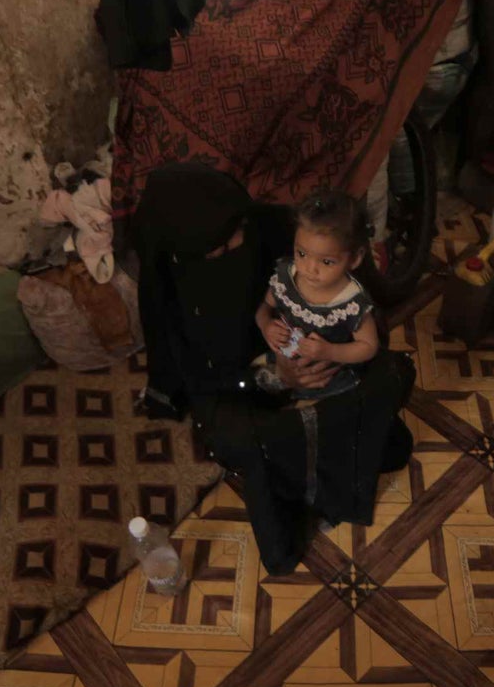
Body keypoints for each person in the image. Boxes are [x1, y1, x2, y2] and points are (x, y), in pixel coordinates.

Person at [131, 164, 414, 574]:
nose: (239, 242)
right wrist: (272, 377)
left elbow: (350, 306)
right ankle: (304, 483)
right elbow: (201, 378)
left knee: (386, 375)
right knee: (247, 438)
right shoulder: (170, 288)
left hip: (313, 352)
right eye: (220, 249)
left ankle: (338, 457)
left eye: (239, 230)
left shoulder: (274, 229)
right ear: (184, 252)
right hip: (238, 381)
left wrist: (320, 351)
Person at [257, 191, 378, 399]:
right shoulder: (286, 276)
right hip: (282, 364)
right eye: (301, 254)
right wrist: (266, 326)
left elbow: (368, 347)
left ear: (355, 259)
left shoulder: (351, 303)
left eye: (327, 261)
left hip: (327, 382)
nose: (309, 269)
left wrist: (329, 351)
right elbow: (263, 310)